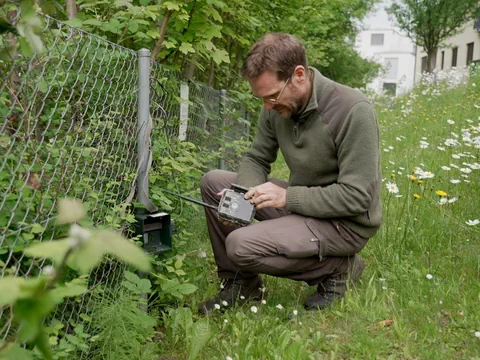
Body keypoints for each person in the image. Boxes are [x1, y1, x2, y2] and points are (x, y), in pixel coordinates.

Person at [198, 32, 381, 313]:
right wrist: (241, 195)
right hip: (306, 209)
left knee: (239, 245)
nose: (267, 106)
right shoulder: (275, 107)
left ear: (298, 74)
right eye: (262, 99)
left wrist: (286, 197)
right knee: (214, 182)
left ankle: (339, 268)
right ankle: (241, 286)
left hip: (345, 223)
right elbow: (257, 157)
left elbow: (358, 198)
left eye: (272, 96)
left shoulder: (353, 110)